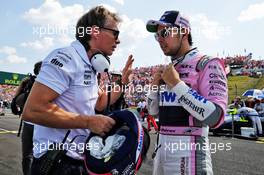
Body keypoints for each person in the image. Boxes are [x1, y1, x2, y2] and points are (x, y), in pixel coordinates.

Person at [22, 6, 133, 175]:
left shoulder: (90, 65)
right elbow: (33, 110)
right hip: (56, 163)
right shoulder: (66, 57)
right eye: (115, 33)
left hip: (79, 160)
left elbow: (100, 103)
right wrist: (88, 122)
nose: (118, 40)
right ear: (95, 31)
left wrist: (123, 83)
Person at [146, 11, 228, 174]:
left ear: (184, 32)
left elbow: (216, 117)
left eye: (165, 33)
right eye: (157, 36)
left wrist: (177, 84)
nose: (160, 39)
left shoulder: (208, 64)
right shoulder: (169, 69)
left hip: (189, 156)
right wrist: (153, 88)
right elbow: (153, 111)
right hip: (161, 152)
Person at [12, 61, 42, 175]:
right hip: (41, 125)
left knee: (28, 156)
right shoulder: (48, 83)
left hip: (29, 124)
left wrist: (21, 86)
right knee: (40, 156)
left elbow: (15, 105)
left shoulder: (29, 83)